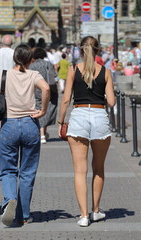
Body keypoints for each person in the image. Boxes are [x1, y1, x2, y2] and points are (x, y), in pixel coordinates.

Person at [0, 43, 50, 226]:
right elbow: (46, 89)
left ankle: (9, 198)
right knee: (27, 172)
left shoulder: (4, 75)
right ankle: (24, 214)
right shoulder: (34, 75)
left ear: (14, 58)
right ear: (30, 60)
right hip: (30, 124)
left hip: (9, 124)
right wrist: (43, 110)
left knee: (8, 169)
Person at [58, 36, 115, 227]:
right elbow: (112, 102)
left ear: (80, 51)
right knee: (98, 169)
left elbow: (66, 99)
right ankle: (96, 211)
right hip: (99, 116)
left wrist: (60, 121)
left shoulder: (75, 70)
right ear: (98, 51)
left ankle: (83, 215)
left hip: (79, 115)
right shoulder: (106, 71)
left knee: (79, 171)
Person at [29, 47, 58, 144]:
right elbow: (54, 76)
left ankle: (42, 133)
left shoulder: (31, 66)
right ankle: (42, 134)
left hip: (35, 90)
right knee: (46, 110)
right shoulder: (48, 64)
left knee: (38, 110)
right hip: (47, 90)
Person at [0, 35, 15, 141]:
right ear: (11, 43)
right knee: (10, 106)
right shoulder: (14, 53)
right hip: (11, 82)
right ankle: (8, 129)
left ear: (2, 43)